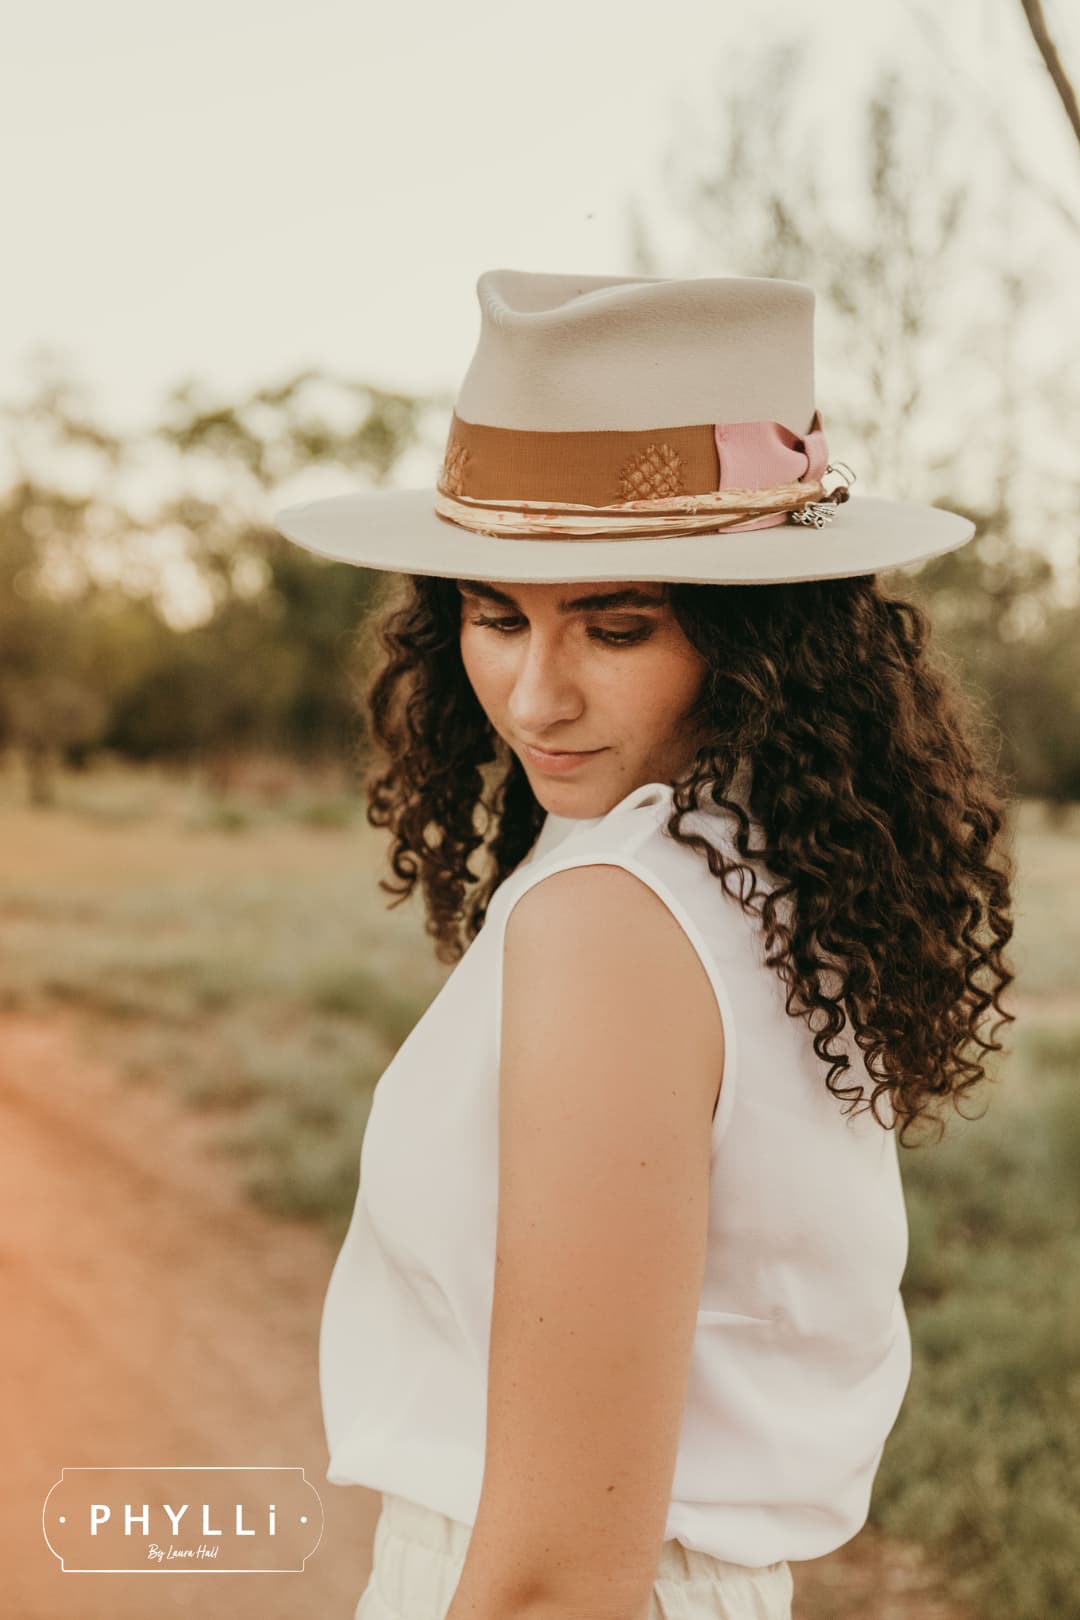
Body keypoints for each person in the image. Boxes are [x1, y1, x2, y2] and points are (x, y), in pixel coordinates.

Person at [273, 269, 1015, 1620]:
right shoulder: (760, 867)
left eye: (617, 626)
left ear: (762, 642)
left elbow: (560, 1580)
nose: (535, 697)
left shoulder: (618, 916)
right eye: (496, 615)